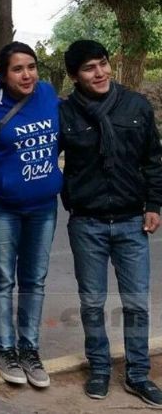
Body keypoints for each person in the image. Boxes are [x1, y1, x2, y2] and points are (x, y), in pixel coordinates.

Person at [59, 40, 162, 407]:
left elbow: (153, 159)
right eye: (89, 68)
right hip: (87, 223)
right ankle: (99, 368)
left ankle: (137, 375)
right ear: (75, 76)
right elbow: (41, 160)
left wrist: (154, 204)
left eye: (102, 64)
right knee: (92, 302)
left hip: (133, 221)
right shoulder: (65, 113)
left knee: (136, 303)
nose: (99, 73)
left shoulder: (135, 105)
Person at [0, 42, 62, 388]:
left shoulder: (48, 94)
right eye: (18, 69)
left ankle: (30, 349)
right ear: (3, 74)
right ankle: (6, 350)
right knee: (2, 280)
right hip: (2, 208)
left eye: (31, 66)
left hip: (44, 207)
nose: (27, 74)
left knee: (35, 280)